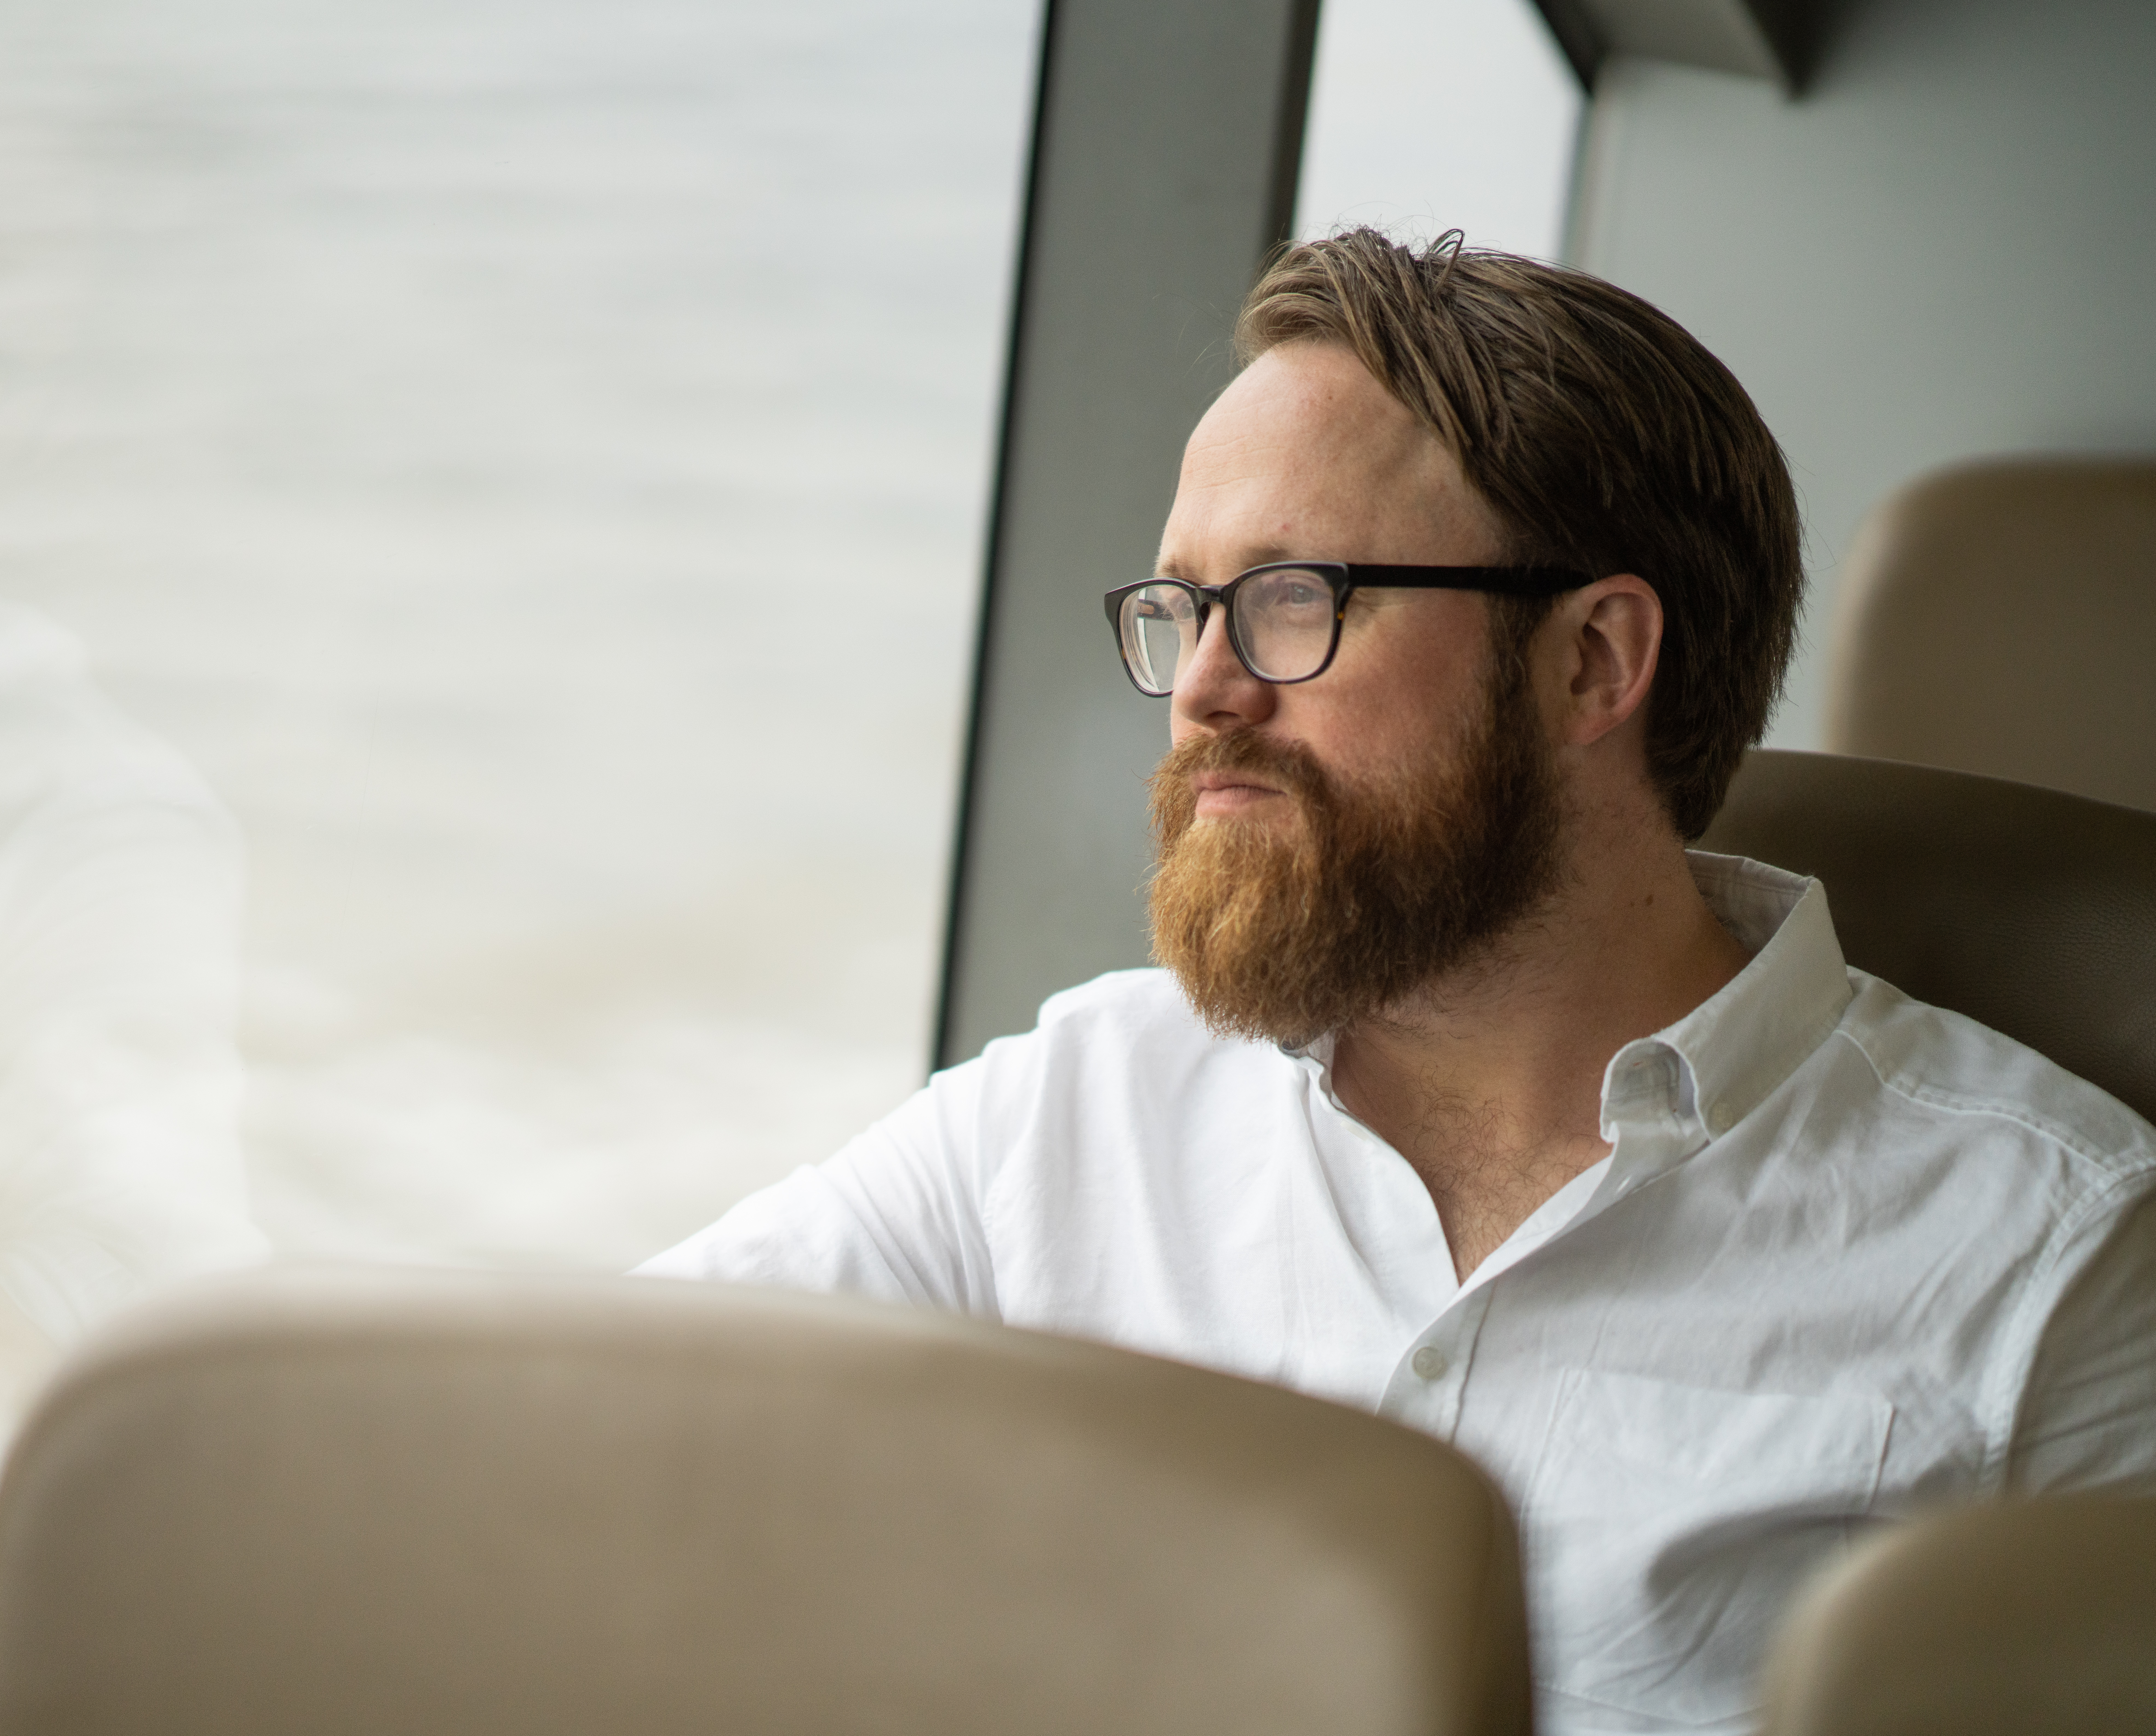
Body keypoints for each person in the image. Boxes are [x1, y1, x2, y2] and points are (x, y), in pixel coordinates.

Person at [637, 229, 2156, 1735]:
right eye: (1180, 611)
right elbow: (588, 1447)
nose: (1209, 693)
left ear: (1591, 663)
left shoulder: (2062, 1258)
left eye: (1296, 601)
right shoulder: (1069, 1113)